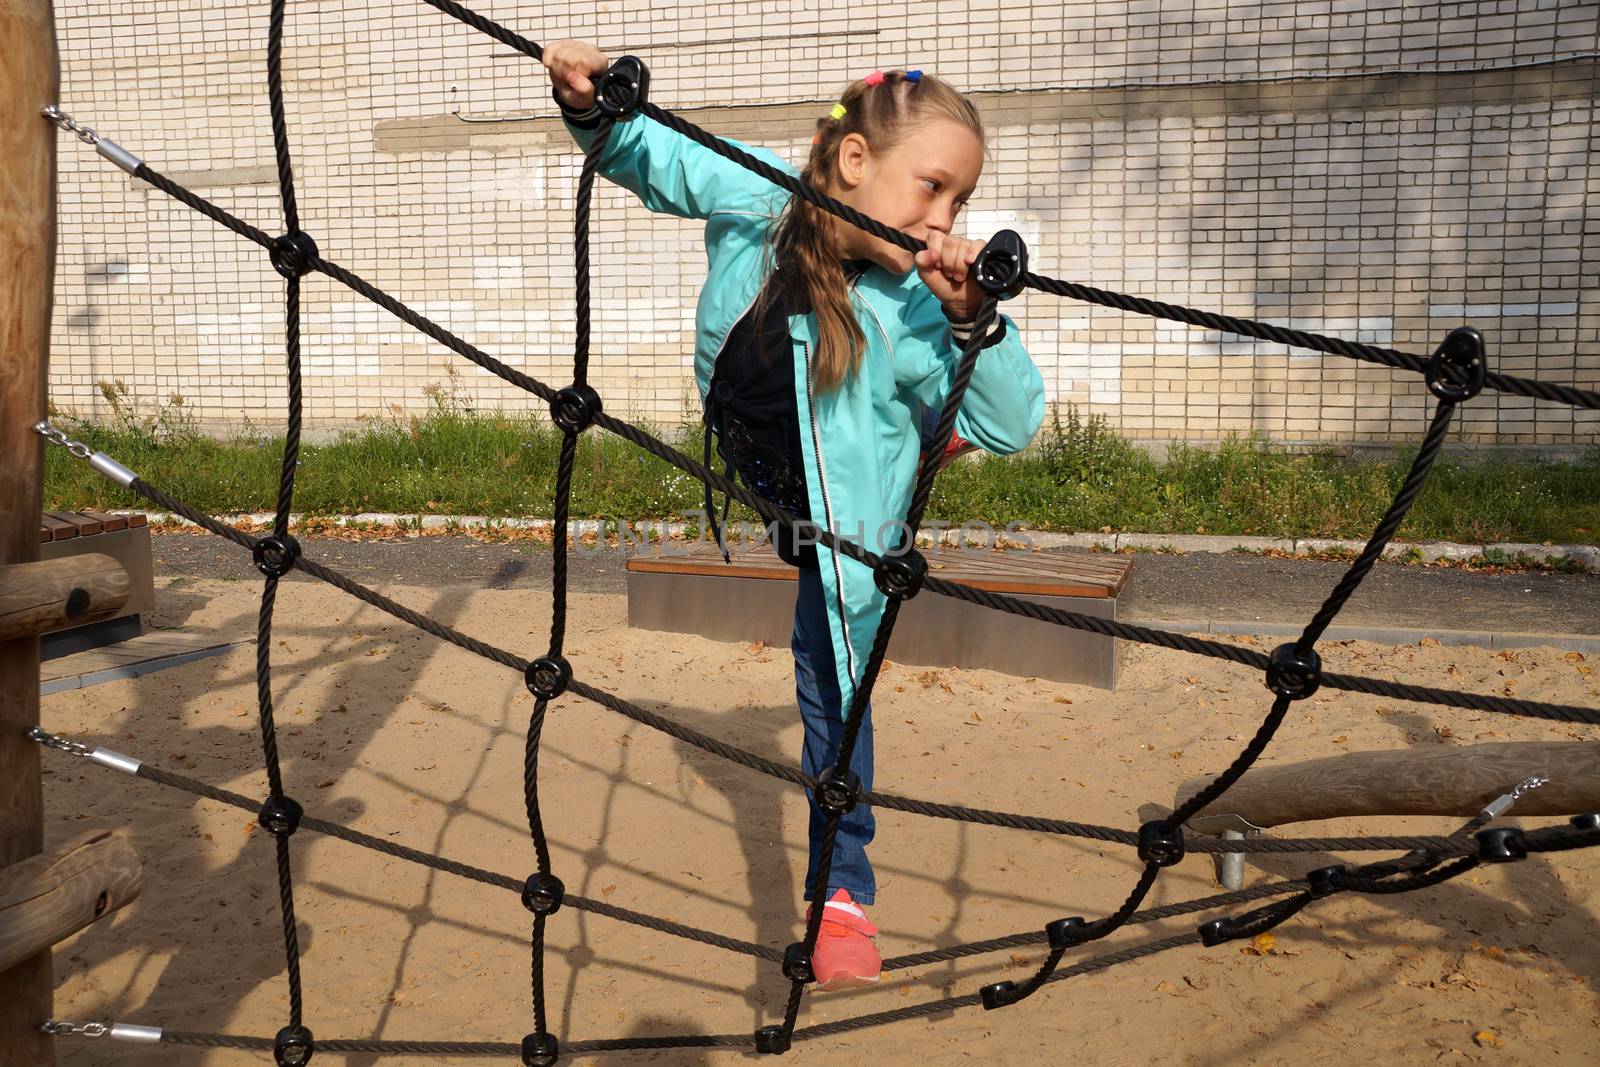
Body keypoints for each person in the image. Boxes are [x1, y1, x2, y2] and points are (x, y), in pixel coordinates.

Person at [543, 42, 1045, 989]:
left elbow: (1017, 424)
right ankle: (924, 428)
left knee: (832, 687)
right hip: (775, 463)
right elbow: (648, 156)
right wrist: (593, 106)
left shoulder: (918, 305)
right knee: (832, 620)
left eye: (959, 205)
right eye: (931, 188)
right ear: (855, 161)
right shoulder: (761, 193)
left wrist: (977, 320)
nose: (943, 220)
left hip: (852, 523)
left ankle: (843, 891)